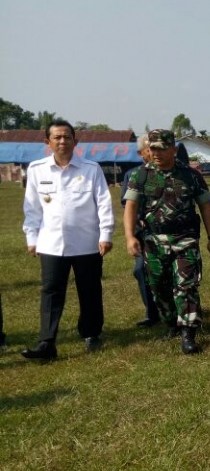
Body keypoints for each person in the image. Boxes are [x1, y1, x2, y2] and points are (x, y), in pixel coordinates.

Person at [124, 129, 210, 355]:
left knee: (186, 286)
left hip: (185, 239)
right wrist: (130, 237)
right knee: (159, 286)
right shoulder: (140, 176)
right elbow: (130, 208)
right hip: (153, 241)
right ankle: (171, 322)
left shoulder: (191, 176)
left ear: (174, 150)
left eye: (162, 148)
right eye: (153, 148)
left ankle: (188, 331)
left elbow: (205, 207)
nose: (156, 153)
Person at [21, 120, 115, 360]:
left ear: (76, 141)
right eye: (57, 137)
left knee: (90, 289)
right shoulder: (36, 169)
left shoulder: (91, 169)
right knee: (51, 291)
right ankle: (46, 342)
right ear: (47, 142)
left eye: (67, 137)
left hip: (87, 242)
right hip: (51, 243)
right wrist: (32, 237)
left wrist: (105, 234)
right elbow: (32, 207)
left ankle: (91, 333)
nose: (62, 141)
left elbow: (103, 204)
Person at [121, 134, 159, 328]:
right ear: (141, 153)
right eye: (150, 149)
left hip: (167, 232)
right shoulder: (133, 175)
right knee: (141, 270)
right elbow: (127, 205)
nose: (154, 152)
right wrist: (138, 222)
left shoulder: (172, 173)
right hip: (142, 233)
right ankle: (152, 313)